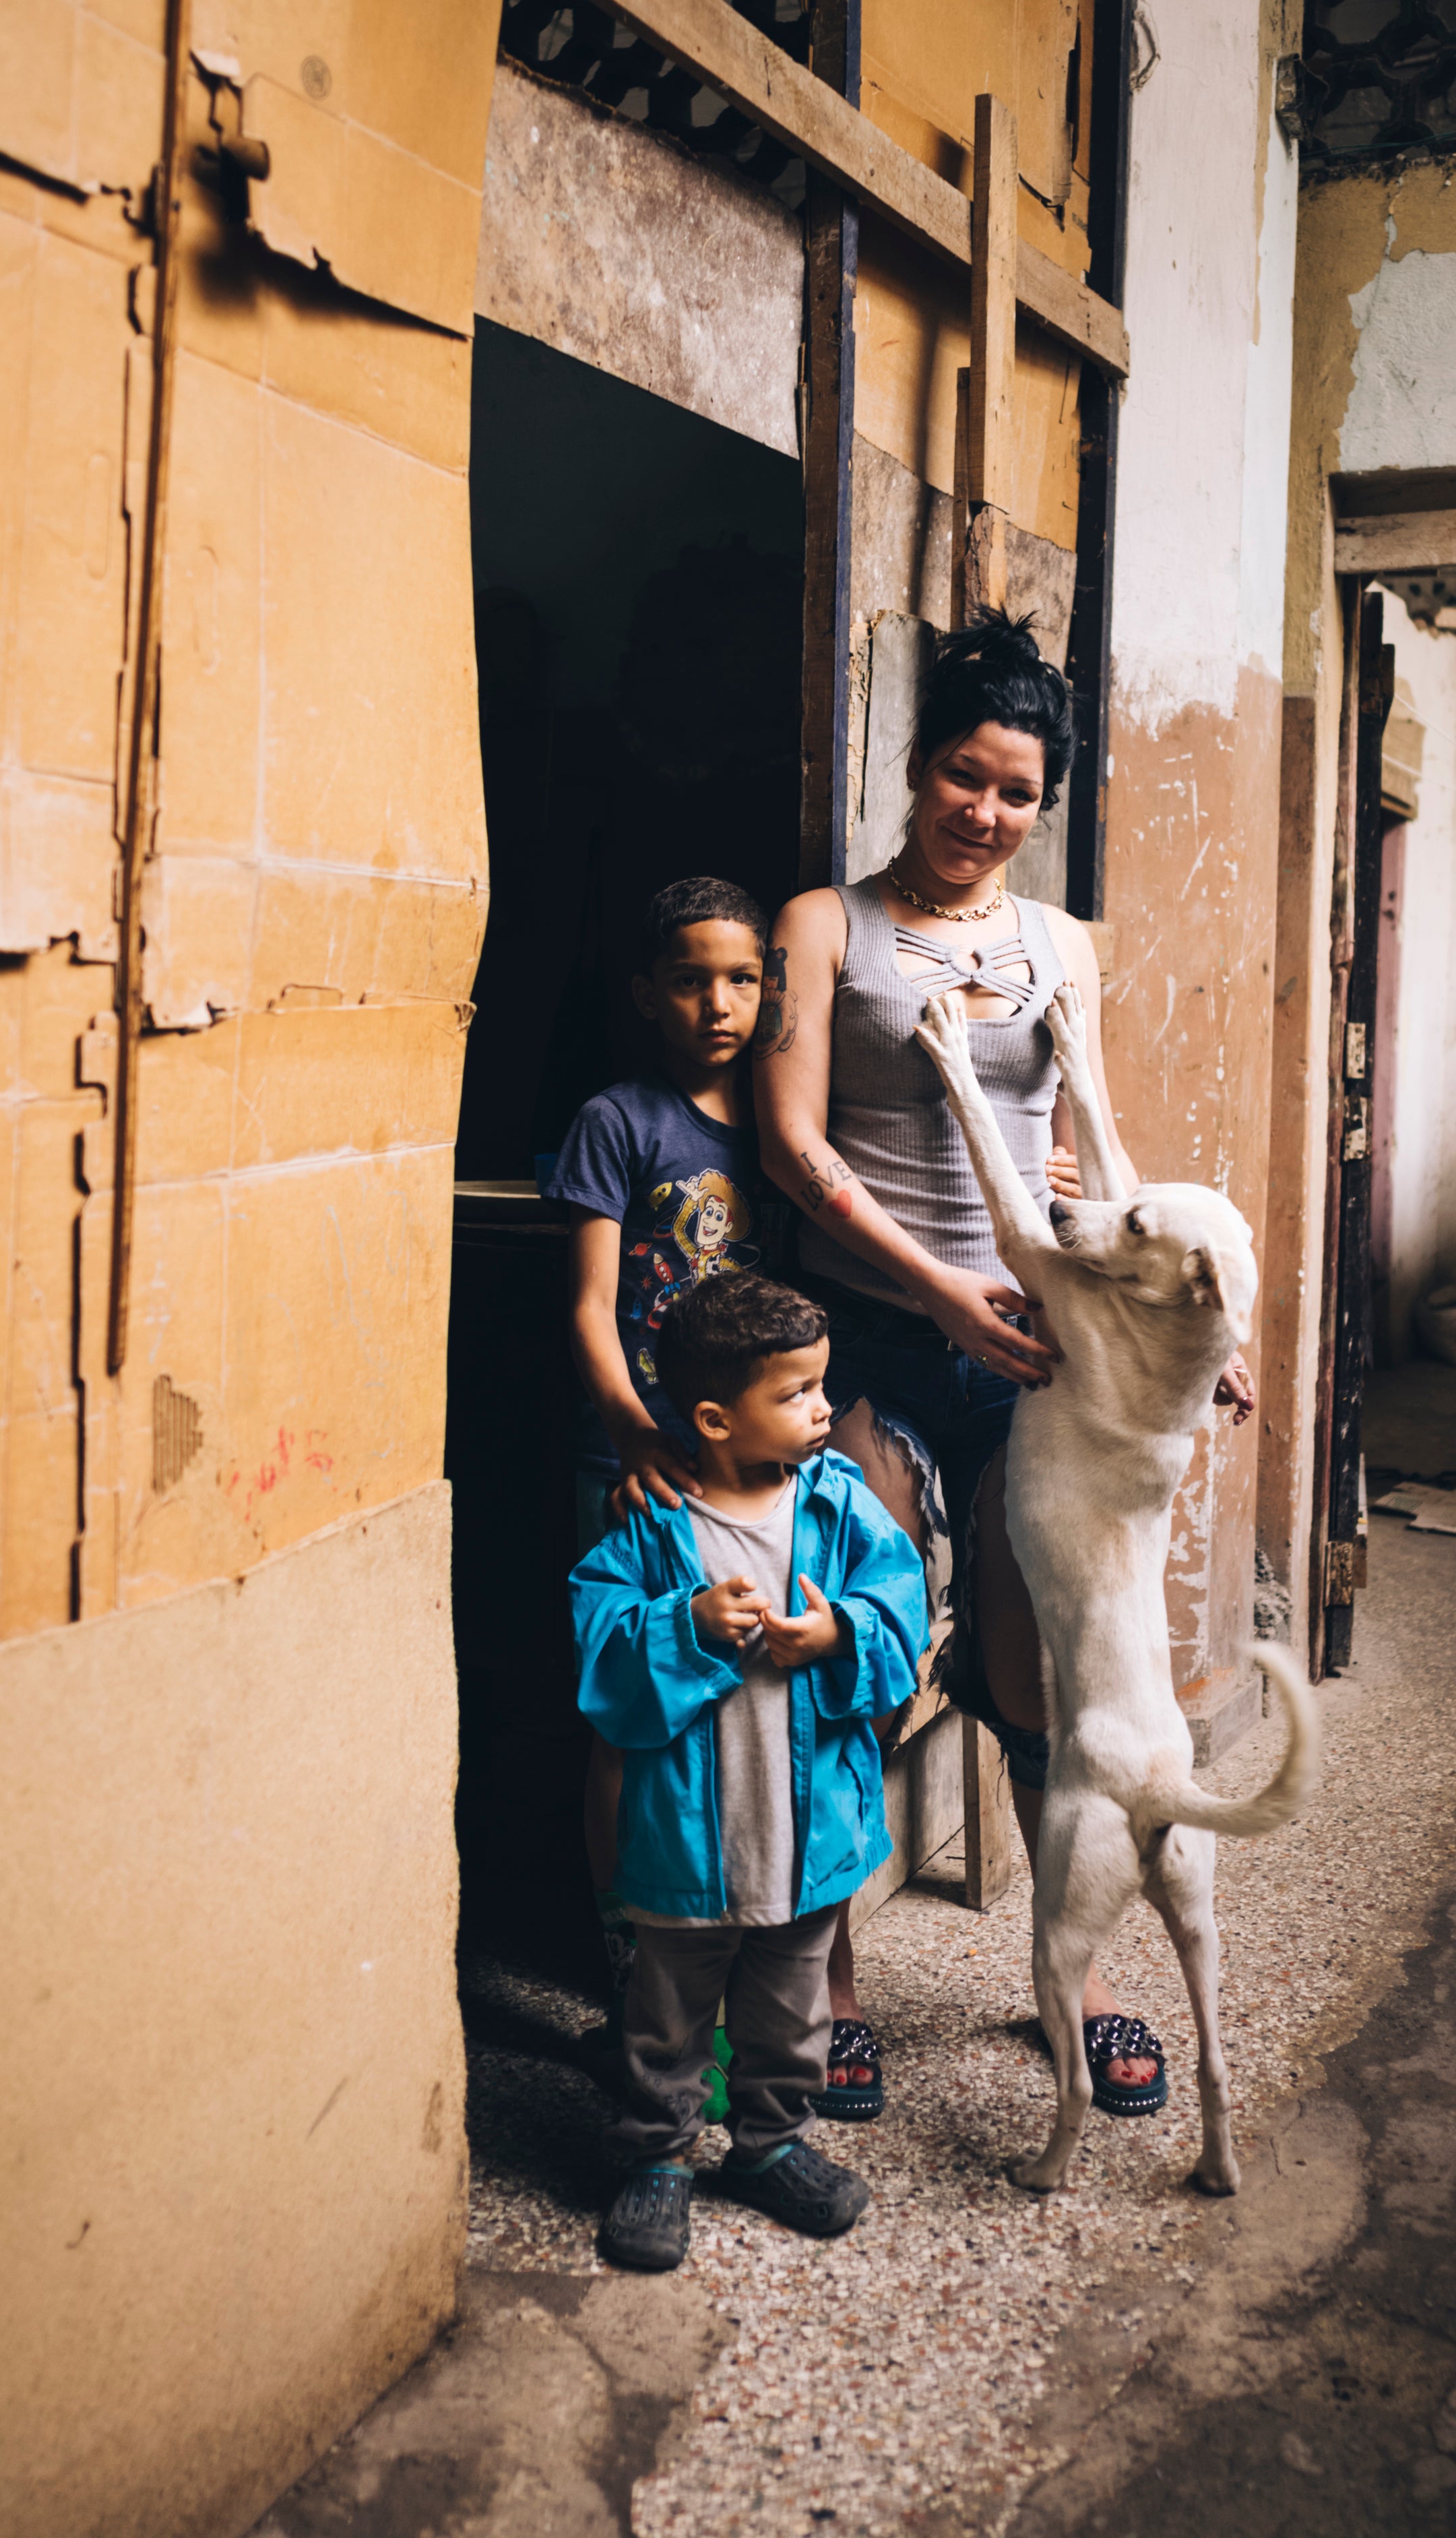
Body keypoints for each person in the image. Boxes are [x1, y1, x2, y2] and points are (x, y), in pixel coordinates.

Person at [754, 609, 1255, 2123]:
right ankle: (828, 1989)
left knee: (1049, 1674)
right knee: (851, 1647)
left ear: (1042, 805)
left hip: (1033, 1343)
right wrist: (941, 1295)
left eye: (1016, 791)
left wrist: (1172, 1342)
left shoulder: (1060, 947)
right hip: (874, 1332)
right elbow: (789, 1143)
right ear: (916, 771)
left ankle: (1073, 1980)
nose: (985, 812)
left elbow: (1077, 1164)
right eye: (963, 776)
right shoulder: (823, 927)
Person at [573, 1274, 923, 2271]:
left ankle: (768, 2146)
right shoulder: (649, 1526)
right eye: (798, 1393)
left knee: (790, 2011)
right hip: (688, 1839)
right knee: (667, 2016)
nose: (823, 1408)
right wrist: (679, 1627)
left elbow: (899, 1602)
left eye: (822, 1385)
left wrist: (840, 1630)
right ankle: (658, 2157)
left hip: (806, 1832)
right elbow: (596, 1650)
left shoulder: (841, 1507)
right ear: (715, 1418)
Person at [545, 878, 792, 2029]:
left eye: (740, 978)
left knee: (744, 1685)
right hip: (639, 1459)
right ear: (649, 992)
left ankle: (739, 1934)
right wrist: (628, 1426)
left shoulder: (788, 1121)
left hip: (752, 1469)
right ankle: (621, 1947)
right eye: (690, 979)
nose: (717, 1002)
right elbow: (593, 1308)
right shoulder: (620, 1121)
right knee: (629, 1705)